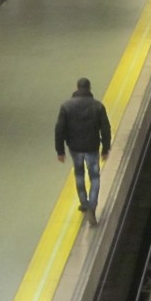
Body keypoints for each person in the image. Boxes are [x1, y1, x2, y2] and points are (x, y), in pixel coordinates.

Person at [55, 77, 111, 226]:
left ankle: (84, 203)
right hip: (92, 147)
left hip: (75, 148)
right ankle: (92, 206)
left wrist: (60, 151)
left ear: (77, 87)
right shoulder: (98, 106)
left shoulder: (66, 106)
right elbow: (106, 129)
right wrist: (106, 148)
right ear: (89, 88)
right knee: (95, 177)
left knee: (79, 174)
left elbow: (59, 129)